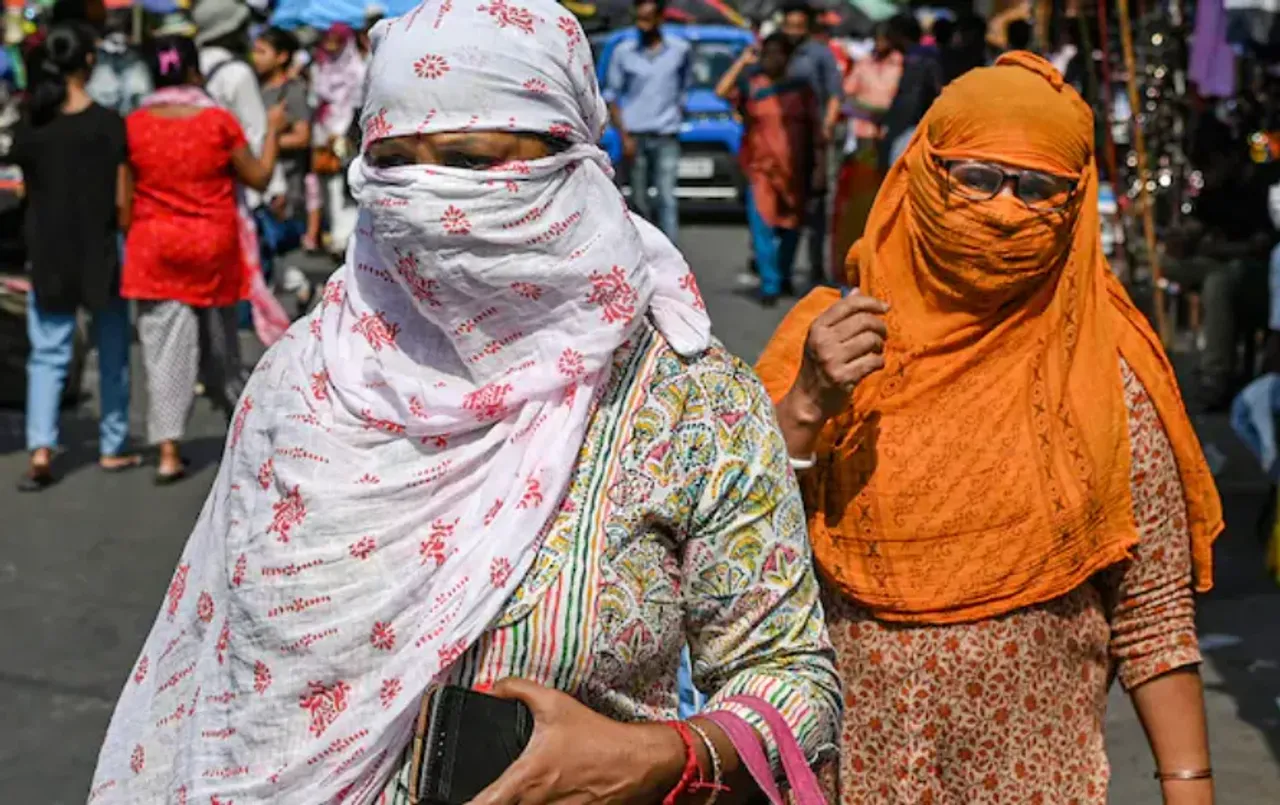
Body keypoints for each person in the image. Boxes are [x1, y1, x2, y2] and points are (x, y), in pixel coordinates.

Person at [89, 4, 839, 804]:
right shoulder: (305, 377)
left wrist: (659, 753)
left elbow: (789, 674)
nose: (424, 197)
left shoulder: (690, 402)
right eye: (394, 163)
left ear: (567, 156)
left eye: (470, 160)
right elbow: (219, 667)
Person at [756, 53, 1222, 804]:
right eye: (975, 177)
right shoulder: (829, 343)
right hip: (842, 779)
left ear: (1075, 206)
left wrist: (1189, 785)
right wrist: (808, 402)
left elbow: (1154, 616)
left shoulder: (1105, 376)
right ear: (922, 172)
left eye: (1037, 188)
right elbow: (733, 554)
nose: (1004, 209)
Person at [121, 35, 283, 484]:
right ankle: (243, 427)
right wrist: (270, 129)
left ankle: (169, 450)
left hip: (154, 244)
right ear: (195, 72)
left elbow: (123, 199)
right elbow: (258, 176)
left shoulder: (133, 124)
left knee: (163, 352)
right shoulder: (218, 122)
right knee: (222, 347)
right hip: (212, 244)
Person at [12, 23, 137, 491]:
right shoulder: (109, 124)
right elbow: (124, 201)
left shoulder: (33, 127)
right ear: (89, 61)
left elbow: (25, 191)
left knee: (47, 353)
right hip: (100, 250)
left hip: (48, 250)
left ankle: (41, 449)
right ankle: (113, 444)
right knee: (112, 353)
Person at [717, 33, 822, 306]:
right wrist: (743, 61)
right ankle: (770, 283)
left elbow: (816, 131)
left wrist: (820, 167)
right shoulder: (752, 85)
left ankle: (784, 274)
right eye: (768, 53)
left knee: (791, 227)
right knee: (762, 225)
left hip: (795, 170)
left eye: (779, 54)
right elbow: (721, 91)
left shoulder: (801, 89)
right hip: (761, 168)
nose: (772, 59)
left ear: (788, 58)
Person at [604, 0, 691, 242]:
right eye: (639, 20)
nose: (643, 26)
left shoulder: (680, 50)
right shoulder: (624, 51)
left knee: (666, 198)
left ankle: (672, 257)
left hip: (665, 133)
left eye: (648, 19)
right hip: (635, 133)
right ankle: (645, 249)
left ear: (660, 19)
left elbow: (684, 86)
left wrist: (678, 111)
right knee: (640, 199)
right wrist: (624, 135)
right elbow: (612, 96)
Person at [829, 22, 902, 282]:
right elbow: (846, 100)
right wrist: (868, 110)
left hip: (890, 140)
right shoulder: (863, 65)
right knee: (859, 204)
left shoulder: (901, 65)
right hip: (862, 140)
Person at [779, 2, 842, 287]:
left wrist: (826, 128)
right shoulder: (776, 52)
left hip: (812, 139)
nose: (792, 32)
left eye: (798, 26)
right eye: (788, 26)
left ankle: (817, 268)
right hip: (781, 140)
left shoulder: (819, 53)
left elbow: (834, 94)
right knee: (783, 204)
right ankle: (782, 269)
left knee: (816, 204)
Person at [307, 22, 366, 257]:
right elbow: (316, 99)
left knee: (344, 184)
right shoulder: (321, 67)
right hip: (323, 132)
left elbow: (357, 104)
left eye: (336, 40)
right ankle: (335, 235)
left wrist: (340, 132)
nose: (330, 45)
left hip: (348, 135)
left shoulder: (357, 70)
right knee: (326, 185)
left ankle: (345, 238)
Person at [251, 26, 311, 254]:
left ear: (282, 57)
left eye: (261, 51)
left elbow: (302, 137)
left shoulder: (292, 91)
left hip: (285, 179)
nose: (255, 57)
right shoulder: (255, 86)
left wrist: (267, 141)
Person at [879, 12, 943, 170]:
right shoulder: (927, 56)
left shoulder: (917, 60)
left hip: (908, 130)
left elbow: (909, 99)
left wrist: (890, 126)